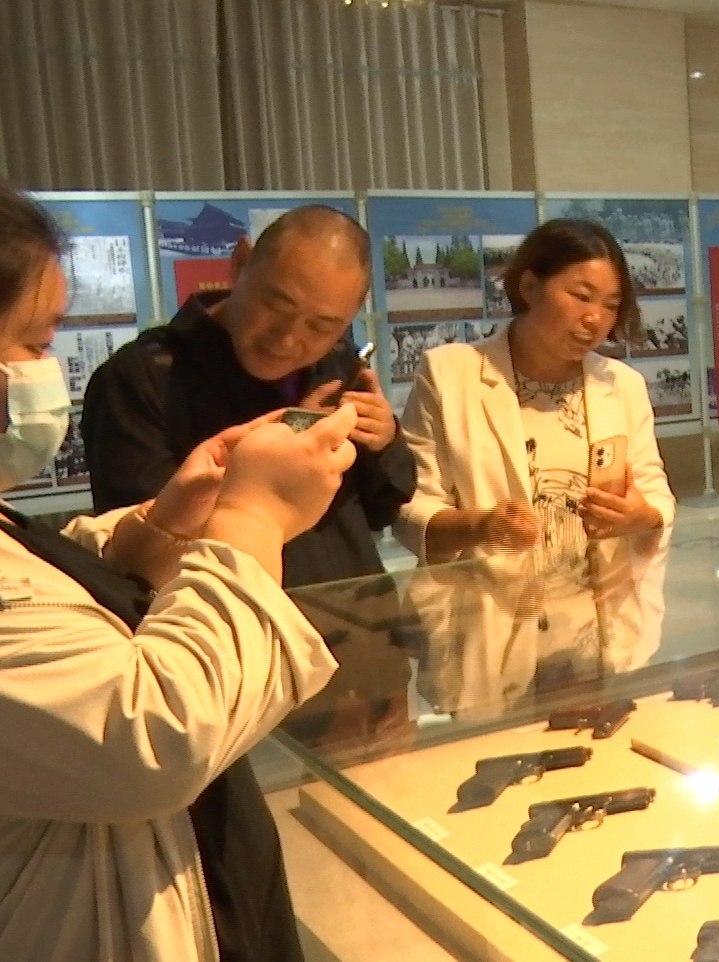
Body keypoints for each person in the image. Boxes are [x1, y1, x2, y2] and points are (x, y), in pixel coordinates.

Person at [0, 187, 356, 962]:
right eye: (34, 340)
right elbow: (154, 736)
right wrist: (252, 518)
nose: (45, 368)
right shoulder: (146, 374)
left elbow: (41, 587)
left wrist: (164, 525)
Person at [82, 204, 418, 753]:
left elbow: (383, 509)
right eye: (276, 304)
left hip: (367, 655)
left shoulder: (337, 364)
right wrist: (266, 459)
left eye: (321, 325)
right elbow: (137, 553)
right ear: (240, 265)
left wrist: (385, 442)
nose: (288, 339)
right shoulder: (142, 377)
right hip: (238, 678)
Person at [396, 218, 675, 717]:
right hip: (490, 623)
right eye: (581, 296)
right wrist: (480, 526)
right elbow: (412, 506)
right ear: (529, 286)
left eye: (611, 305)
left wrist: (644, 517)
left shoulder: (621, 385)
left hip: (595, 632)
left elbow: (654, 490)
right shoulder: (452, 373)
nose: (594, 319)